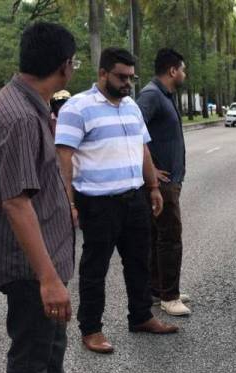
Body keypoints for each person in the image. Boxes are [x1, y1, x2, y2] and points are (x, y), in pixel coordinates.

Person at [0, 22, 103, 373]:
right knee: (31, 358)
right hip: (30, 266)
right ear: (65, 67)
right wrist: (48, 278)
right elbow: (15, 202)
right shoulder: (18, 116)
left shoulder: (28, 105)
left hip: (43, 257)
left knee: (50, 349)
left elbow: (32, 184)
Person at [55, 47, 179, 354]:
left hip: (134, 197)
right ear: (102, 73)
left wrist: (152, 187)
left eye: (131, 78)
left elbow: (143, 149)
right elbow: (64, 160)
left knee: (138, 262)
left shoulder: (131, 107)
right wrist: (68, 203)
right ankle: (91, 329)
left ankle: (140, 316)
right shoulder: (77, 107)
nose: (127, 83)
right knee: (95, 268)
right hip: (98, 204)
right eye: (121, 77)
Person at [136, 48, 191, 316]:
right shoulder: (151, 95)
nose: (184, 73)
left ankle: (158, 289)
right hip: (161, 184)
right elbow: (131, 129)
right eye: (182, 69)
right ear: (172, 71)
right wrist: (152, 171)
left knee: (159, 236)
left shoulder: (164, 95)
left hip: (170, 182)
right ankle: (170, 297)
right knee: (170, 238)